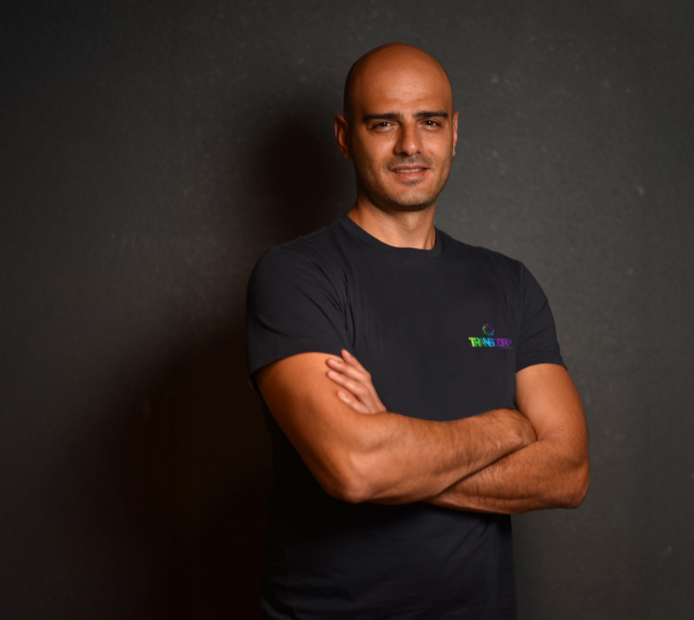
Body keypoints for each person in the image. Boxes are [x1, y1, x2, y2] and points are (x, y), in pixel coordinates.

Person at [246, 42, 589, 620]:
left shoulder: (508, 283)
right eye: (384, 123)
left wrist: (396, 458)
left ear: (453, 132)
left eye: (429, 121)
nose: (410, 144)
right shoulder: (296, 276)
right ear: (345, 136)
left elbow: (568, 472)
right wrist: (505, 426)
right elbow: (355, 467)